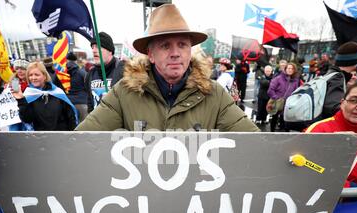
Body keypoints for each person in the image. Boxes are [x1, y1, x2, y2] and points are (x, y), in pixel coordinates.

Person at [75, 4, 258, 132]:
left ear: (190, 51)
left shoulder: (215, 95)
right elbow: (80, 142)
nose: (175, 53)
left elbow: (256, 145)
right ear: (151, 54)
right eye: (165, 46)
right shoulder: (124, 93)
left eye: (182, 45)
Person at [306, 81, 357, 188]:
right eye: (354, 100)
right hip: (323, 199)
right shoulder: (319, 129)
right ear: (342, 103)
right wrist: (348, 188)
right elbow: (307, 167)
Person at [12, 62, 78, 131]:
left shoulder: (57, 92)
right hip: (40, 138)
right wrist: (21, 100)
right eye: (30, 75)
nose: (33, 78)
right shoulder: (28, 95)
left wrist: (72, 135)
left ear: (44, 76)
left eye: (37, 75)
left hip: (61, 136)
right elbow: (27, 119)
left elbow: (71, 116)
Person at [84, 31, 125, 113]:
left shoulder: (123, 70)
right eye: (92, 47)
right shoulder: (90, 74)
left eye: (98, 46)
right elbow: (90, 102)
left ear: (110, 51)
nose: (94, 50)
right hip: (97, 123)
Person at [321, 41, 357, 119]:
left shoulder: (331, 74)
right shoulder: (338, 77)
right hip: (327, 128)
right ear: (355, 61)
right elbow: (333, 107)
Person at [267, 62, 300, 132]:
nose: (290, 70)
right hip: (277, 102)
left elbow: (295, 92)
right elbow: (270, 90)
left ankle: (284, 134)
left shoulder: (295, 81)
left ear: (294, 70)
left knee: (285, 120)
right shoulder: (278, 78)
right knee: (274, 118)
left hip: (288, 104)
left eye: (292, 69)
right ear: (285, 69)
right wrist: (277, 98)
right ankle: (272, 133)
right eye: (288, 68)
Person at [65, 52, 88, 122]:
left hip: (67, 102)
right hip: (82, 101)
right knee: (84, 127)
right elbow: (88, 86)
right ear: (76, 60)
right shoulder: (82, 72)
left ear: (67, 60)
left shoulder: (62, 74)